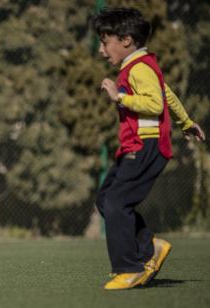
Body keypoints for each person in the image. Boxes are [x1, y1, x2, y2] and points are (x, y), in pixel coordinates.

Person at [92, 7, 206, 290]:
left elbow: (155, 104)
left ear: (127, 40)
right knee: (106, 199)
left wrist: (119, 97)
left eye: (105, 42)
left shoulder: (139, 67)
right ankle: (150, 247)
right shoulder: (138, 66)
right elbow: (166, 94)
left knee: (117, 203)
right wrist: (186, 122)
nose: (101, 50)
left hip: (146, 146)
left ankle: (130, 268)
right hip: (136, 145)